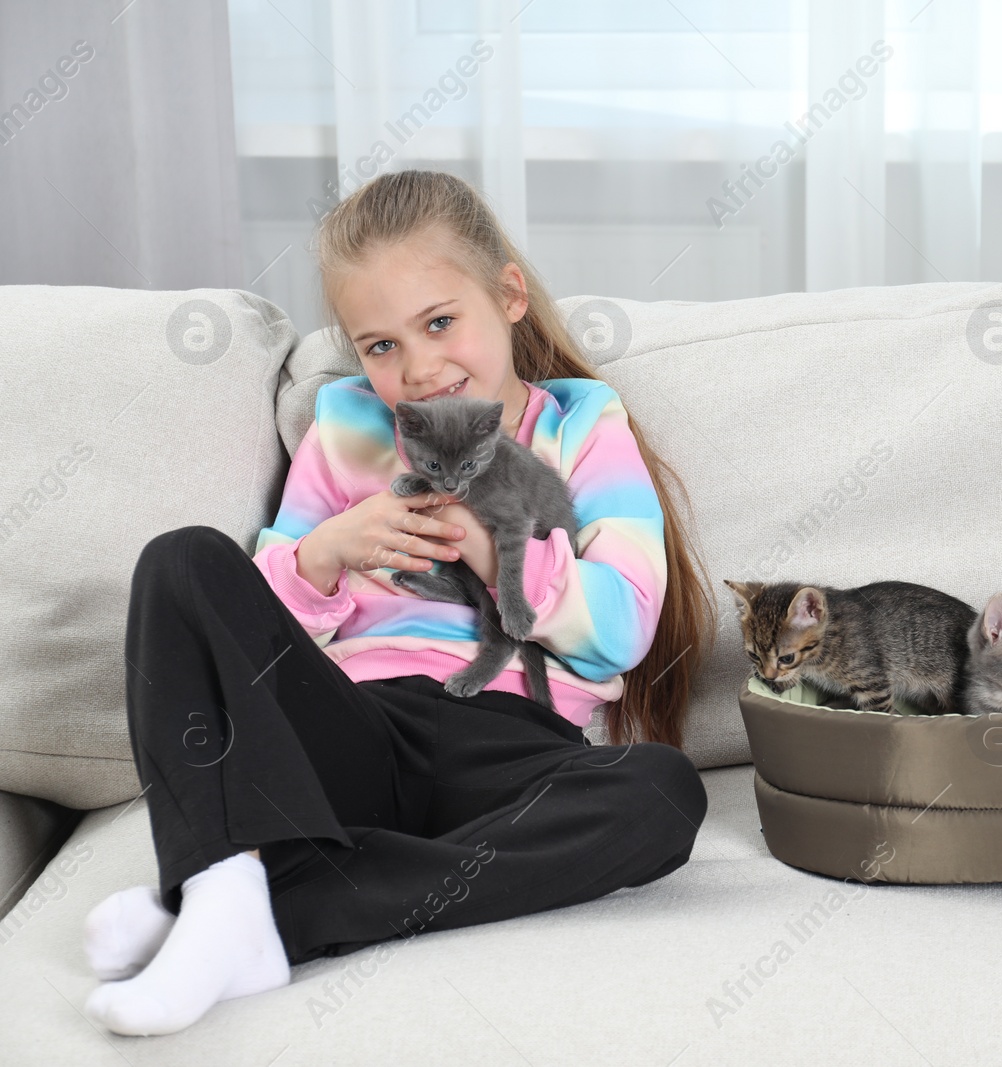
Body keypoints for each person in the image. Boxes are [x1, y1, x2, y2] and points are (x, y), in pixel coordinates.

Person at [82, 169, 716, 1037]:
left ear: (510, 296)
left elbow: (623, 629)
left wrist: (501, 553)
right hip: (351, 731)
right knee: (180, 562)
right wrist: (326, 552)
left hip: (509, 747)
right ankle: (228, 895)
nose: (418, 369)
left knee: (663, 793)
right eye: (380, 345)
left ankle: (259, 907)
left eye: (441, 323)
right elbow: (252, 631)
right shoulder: (345, 425)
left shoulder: (580, 424)